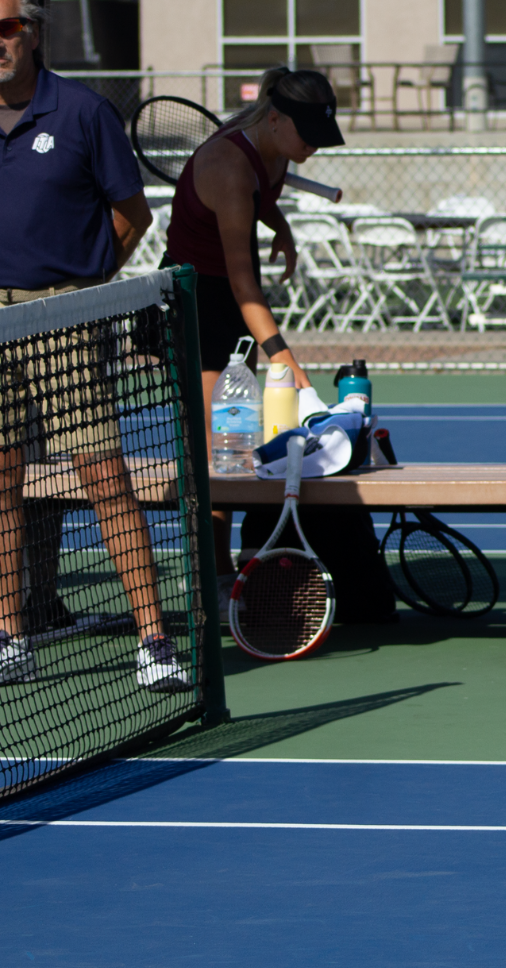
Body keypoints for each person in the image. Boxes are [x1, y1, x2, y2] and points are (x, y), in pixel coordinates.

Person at [0, 0, 186, 691]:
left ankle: (154, 642)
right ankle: (11, 638)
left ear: (35, 32)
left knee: (105, 479)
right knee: (2, 486)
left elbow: (131, 215)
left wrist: (86, 287)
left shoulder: (82, 112)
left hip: (67, 319)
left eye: (8, 27)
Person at [163, 65, 338, 583]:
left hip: (232, 306)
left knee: (235, 448)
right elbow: (245, 286)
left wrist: (279, 226)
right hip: (194, 301)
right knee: (217, 453)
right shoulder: (228, 165)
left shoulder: (279, 147)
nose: (315, 147)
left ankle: (228, 568)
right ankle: (212, 577)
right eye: (308, 135)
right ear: (277, 119)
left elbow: (263, 199)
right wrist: (285, 357)